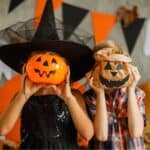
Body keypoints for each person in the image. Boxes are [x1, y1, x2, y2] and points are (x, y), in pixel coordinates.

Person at [0, 52, 94, 149]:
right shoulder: (22, 96)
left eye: (53, 61)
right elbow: (2, 129)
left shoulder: (73, 95)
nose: (45, 66)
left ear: (66, 70)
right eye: (39, 60)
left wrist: (69, 99)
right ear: (27, 67)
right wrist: (23, 95)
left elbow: (87, 134)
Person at [82, 41, 147, 149]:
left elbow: (136, 132)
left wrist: (130, 89)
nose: (113, 71)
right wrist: (100, 93)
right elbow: (101, 135)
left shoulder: (136, 93)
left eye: (117, 64)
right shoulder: (90, 97)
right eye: (107, 65)